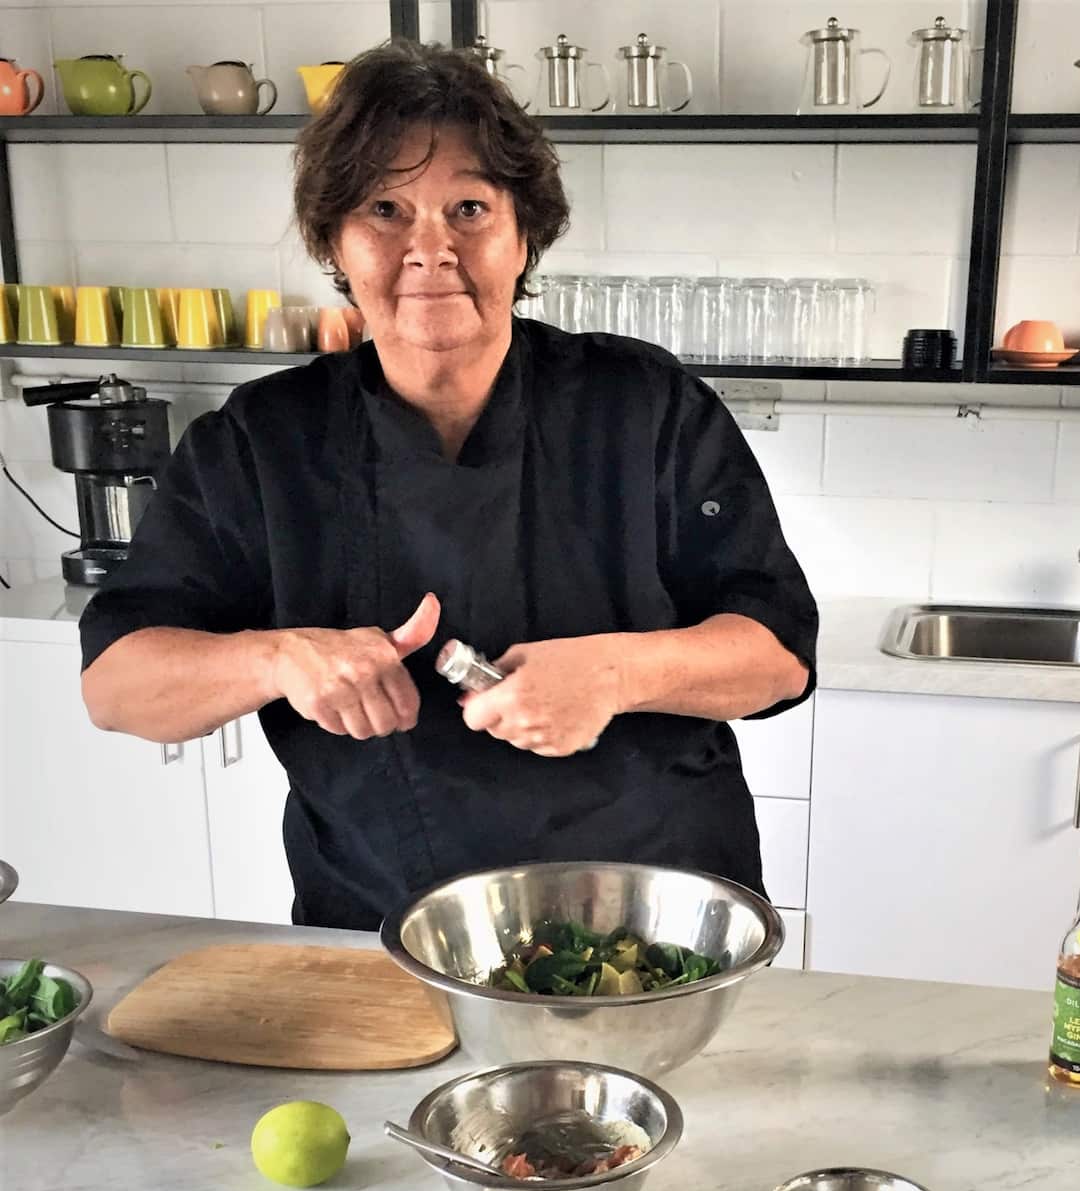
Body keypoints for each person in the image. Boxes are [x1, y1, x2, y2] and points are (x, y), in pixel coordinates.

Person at [79, 39, 818, 930]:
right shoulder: (256, 443)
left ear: (521, 237)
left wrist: (615, 672)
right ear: (335, 243)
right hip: (386, 930)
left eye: (468, 208)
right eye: (385, 210)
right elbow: (116, 685)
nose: (430, 251)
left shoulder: (645, 404)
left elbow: (776, 656)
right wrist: (278, 657)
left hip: (655, 914)